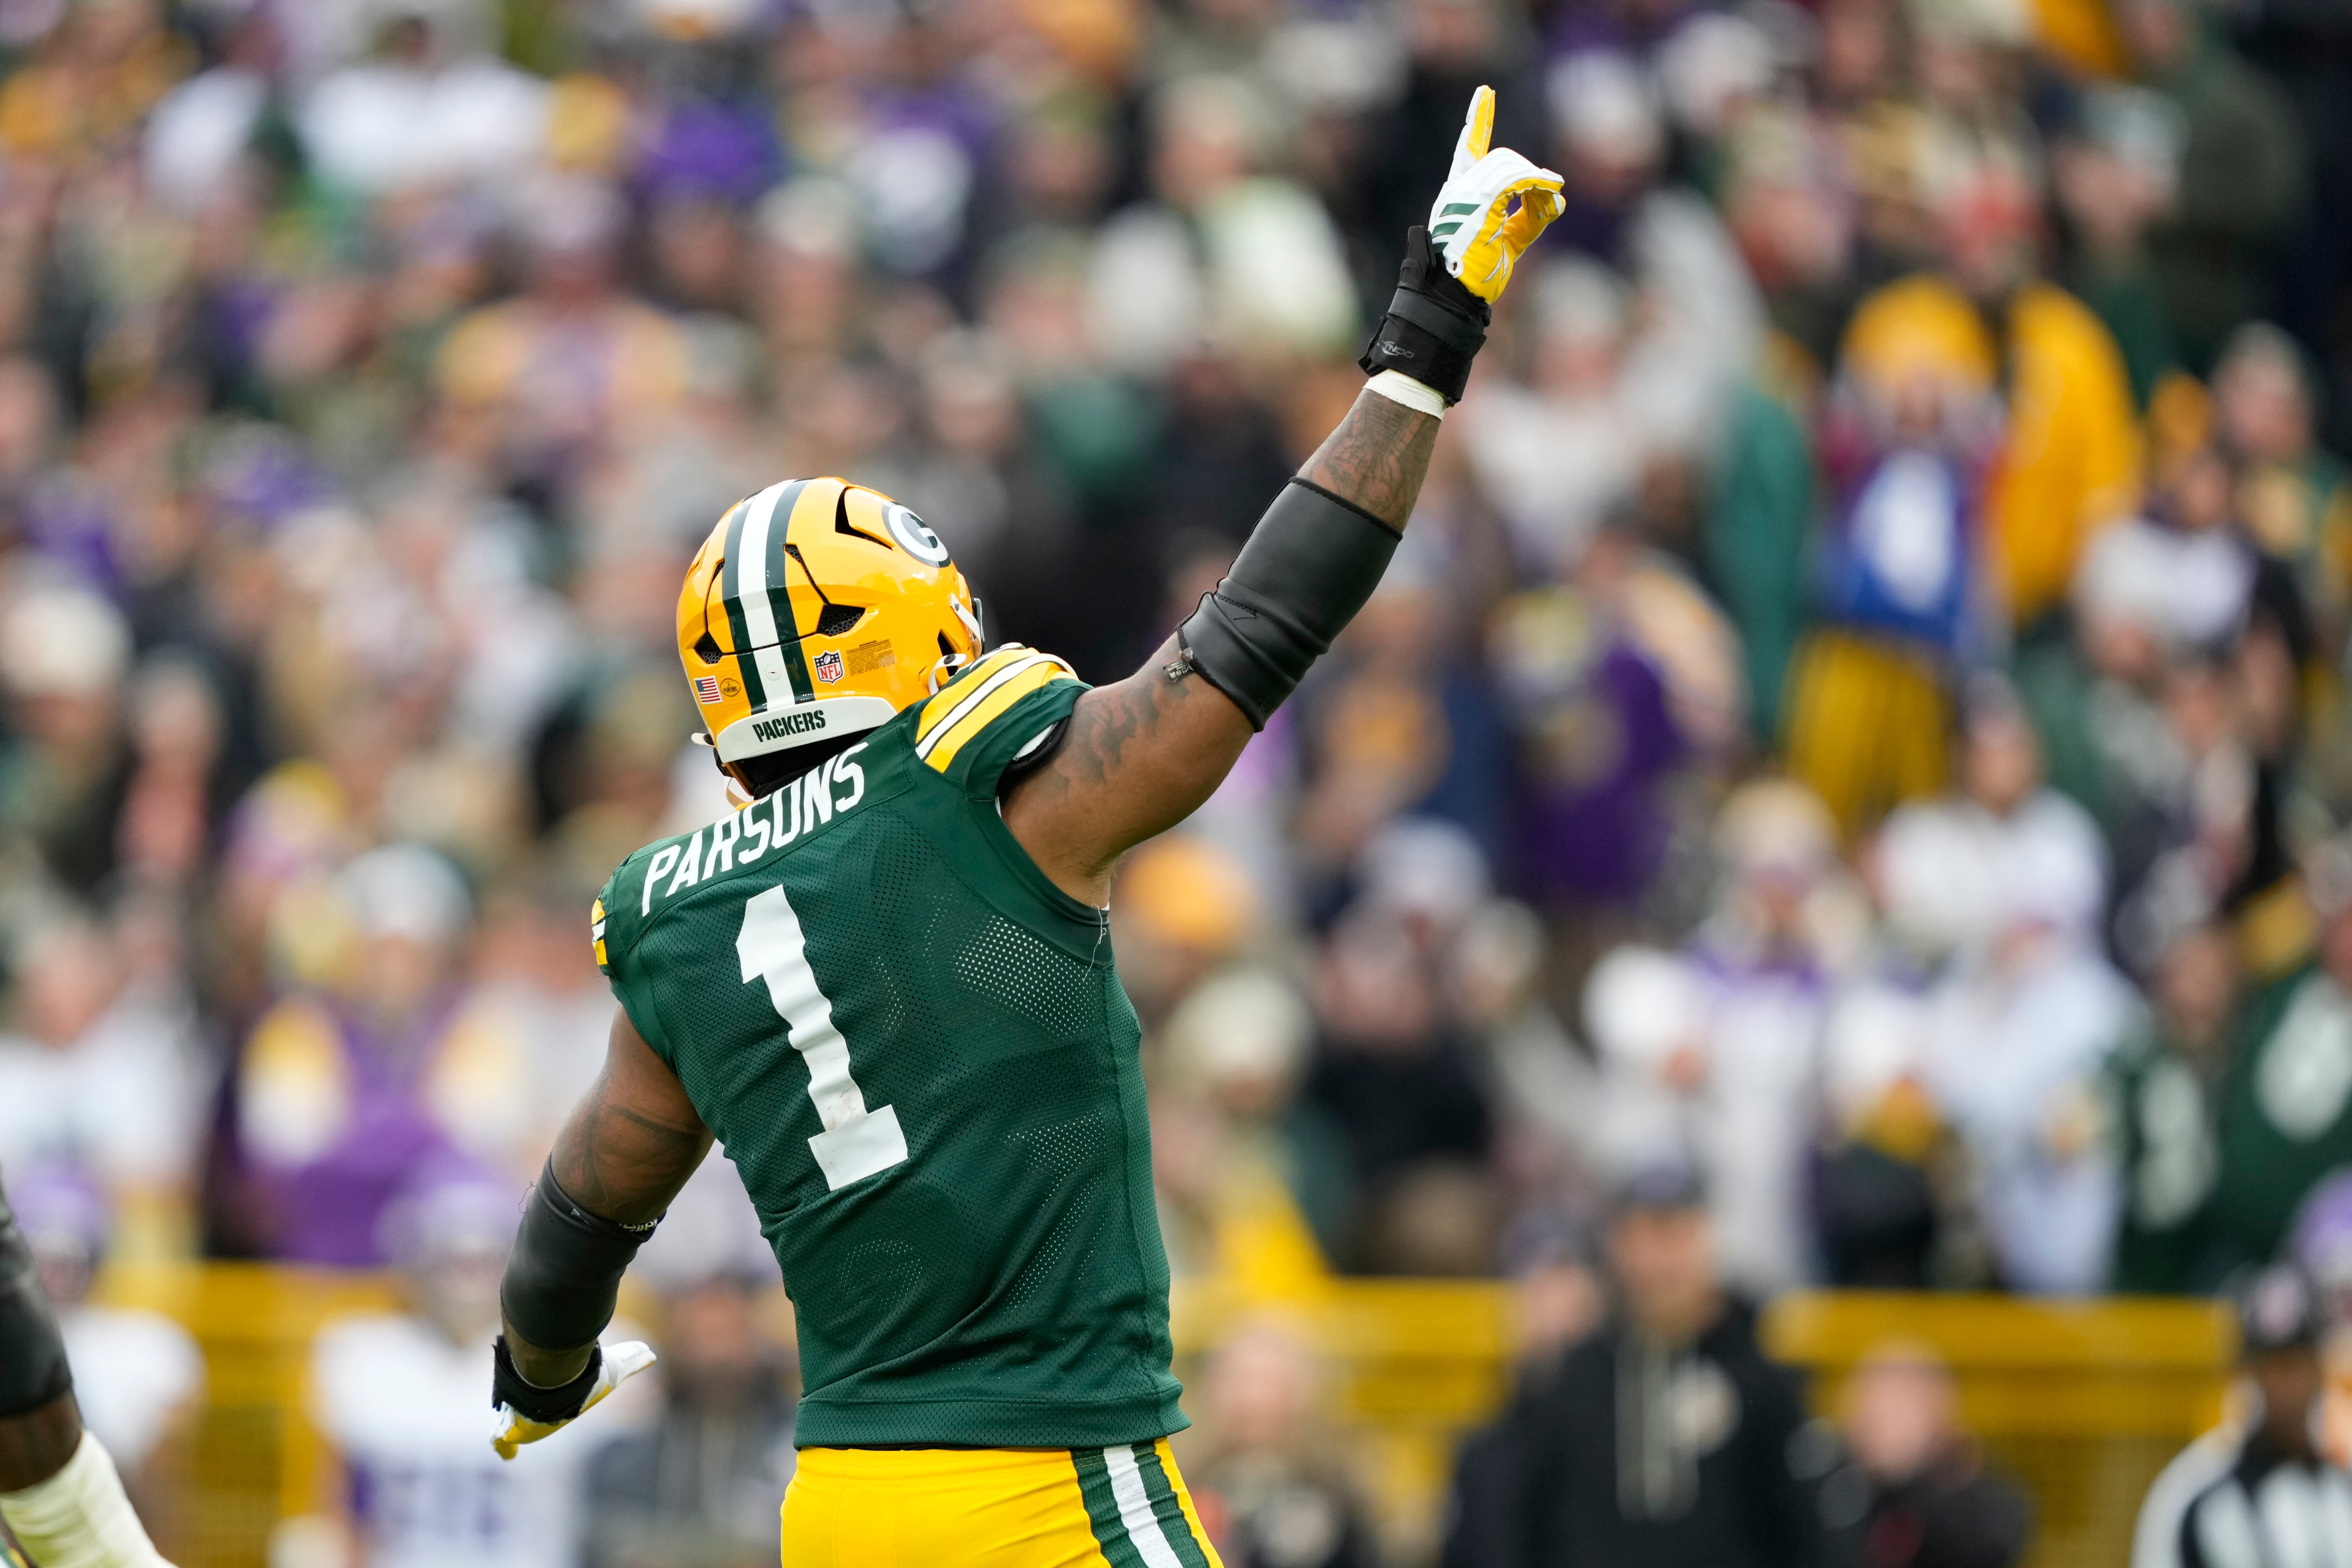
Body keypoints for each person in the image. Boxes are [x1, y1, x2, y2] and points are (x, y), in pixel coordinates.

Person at [484, 88, 1567, 1568]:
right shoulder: (984, 786)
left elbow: (580, 1209)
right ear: (916, 620)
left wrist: (540, 1372)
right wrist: (1423, 348)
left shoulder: (672, 910)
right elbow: (1248, 635)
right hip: (1052, 1480)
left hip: (845, 1508)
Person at [1506, 1167, 1827, 1568]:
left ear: (1706, 1243)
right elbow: (1519, 1515)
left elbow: (1804, 1527)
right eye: (1640, 1238)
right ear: (1617, 1249)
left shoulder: (1759, 1379)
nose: (1657, 1262)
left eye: (1673, 1236)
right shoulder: (1574, 1379)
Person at [0, 1170, 177, 1568]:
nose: (55, 1274)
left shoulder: (144, 1346)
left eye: (66, 1260)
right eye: (44, 1258)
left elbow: (157, 1488)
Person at [2132, 1265, 2352, 1568]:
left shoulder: (2341, 1489)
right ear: (2246, 1371)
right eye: (2268, 1366)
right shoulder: (2194, 1493)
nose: (2283, 1385)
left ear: (2319, 1366)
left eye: (2293, 1364)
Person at [1818, 1344, 2032, 1568]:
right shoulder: (1826, 1485)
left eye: (1902, 1405)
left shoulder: (1982, 1498)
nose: (1886, 1419)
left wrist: (1915, 1475)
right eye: (1877, 1402)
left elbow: (1986, 1550)